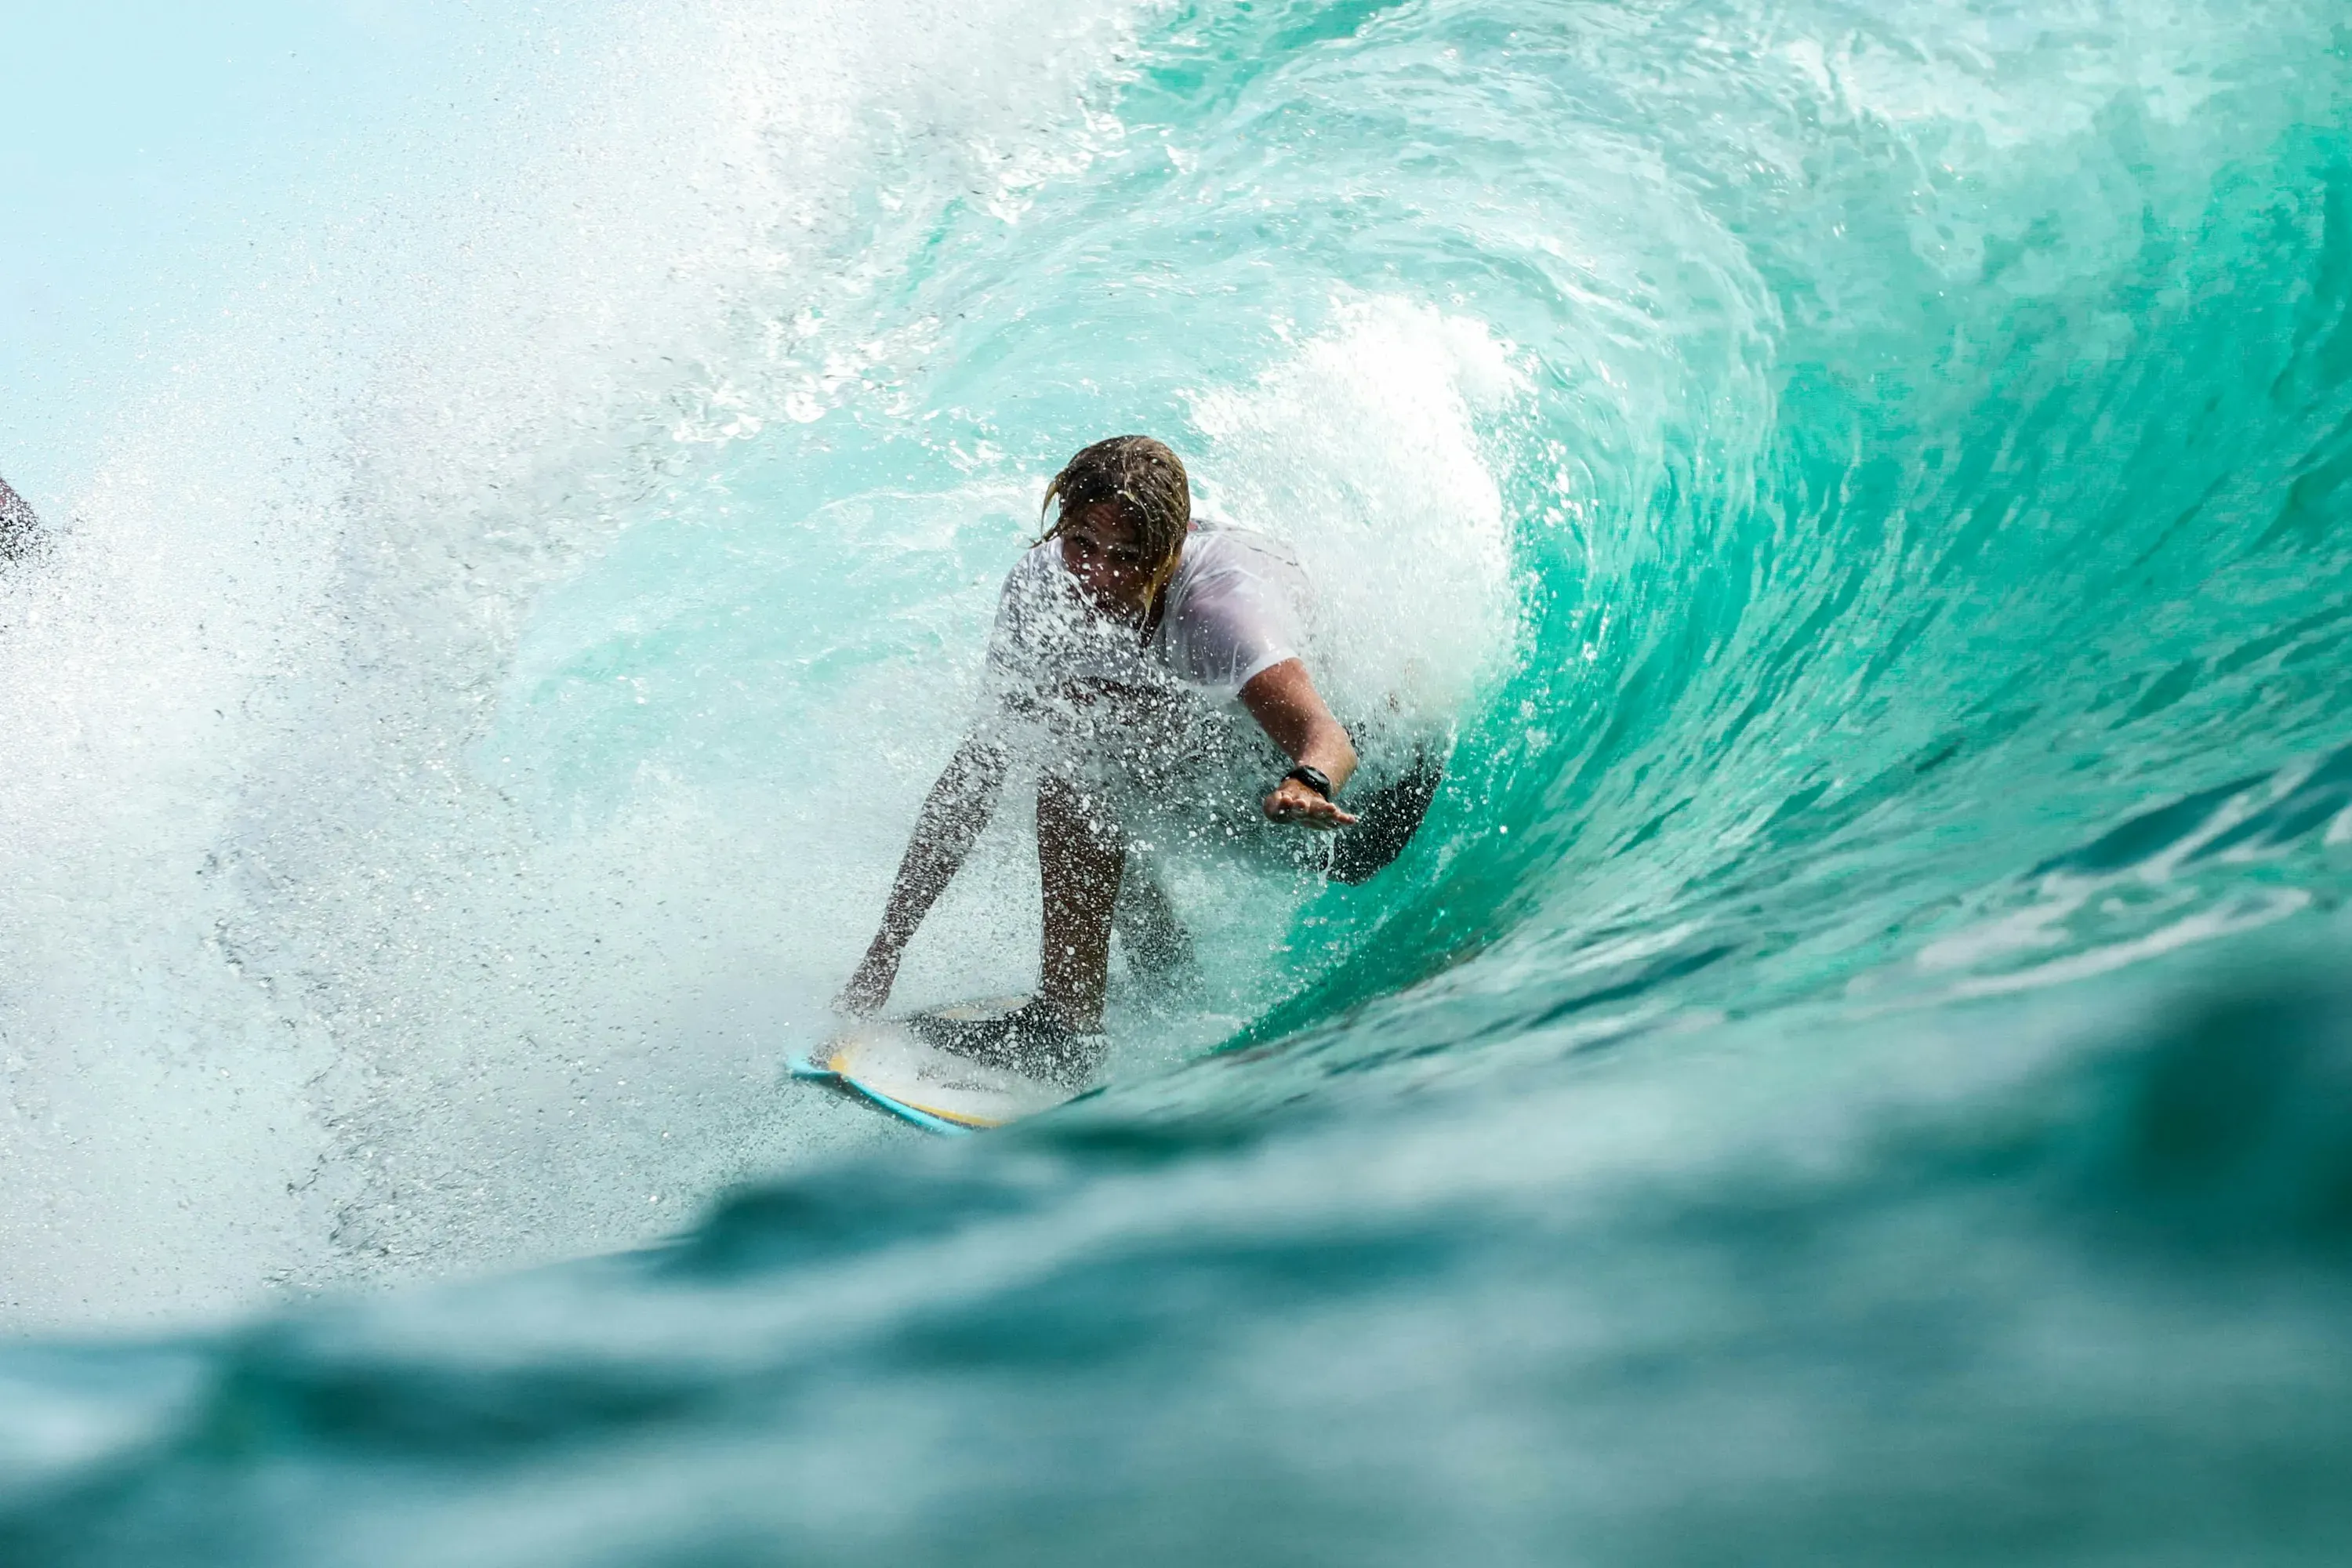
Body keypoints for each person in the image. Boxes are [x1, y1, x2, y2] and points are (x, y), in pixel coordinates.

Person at [837, 435, 1436, 1085]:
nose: (1097, 575)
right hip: (1245, 782)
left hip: (1360, 813)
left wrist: (1307, 783)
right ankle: (1159, 979)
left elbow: (1328, 736)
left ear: (1172, 549)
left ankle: (1067, 1030)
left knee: (1081, 767)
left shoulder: (1221, 609)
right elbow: (975, 776)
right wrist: (887, 949)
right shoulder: (1041, 586)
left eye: (1126, 557)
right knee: (1077, 737)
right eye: (1082, 544)